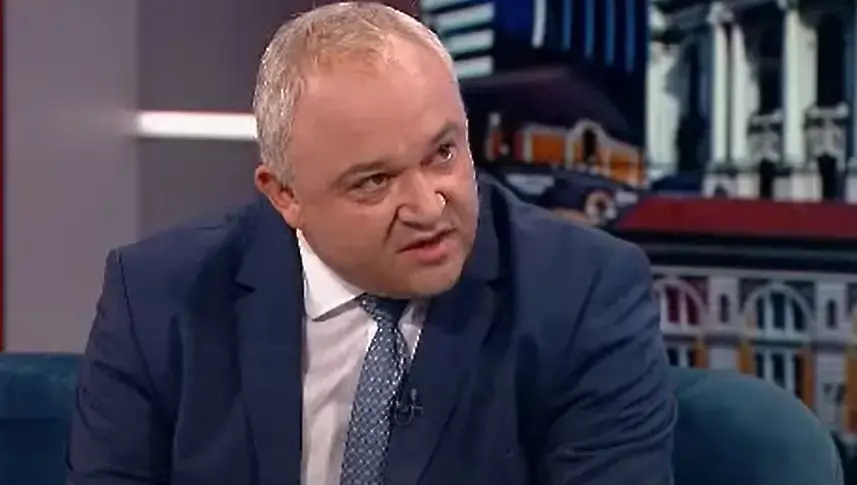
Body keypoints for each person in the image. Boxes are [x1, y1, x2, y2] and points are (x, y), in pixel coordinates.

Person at [67, 3, 675, 485]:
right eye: (375, 181)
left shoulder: (583, 294)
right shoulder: (158, 299)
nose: (429, 207)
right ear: (285, 195)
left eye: (443, 153)